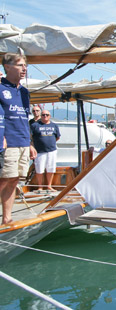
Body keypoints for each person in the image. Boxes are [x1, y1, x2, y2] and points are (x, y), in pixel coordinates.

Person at [0, 53, 37, 225]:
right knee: (4, 178)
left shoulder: (23, 92)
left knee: (14, 179)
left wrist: (30, 143)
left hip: (22, 141)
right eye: (20, 65)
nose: (25, 69)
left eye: (25, 66)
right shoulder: (1, 88)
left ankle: (7, 218)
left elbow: (24, 118)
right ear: (7, 67)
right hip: (9, 141)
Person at [30, 110, 61, 191]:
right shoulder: (35, 125)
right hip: (39, 151)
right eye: (43, 115)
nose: (45, 116)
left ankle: (49, 186)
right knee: (39, 169)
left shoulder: (54, 125)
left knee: (51, 168)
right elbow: (30, 137)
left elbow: (57, 137)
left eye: (47, 115)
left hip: (52, 150)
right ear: (41, 116)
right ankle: (40, 187)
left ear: (50, 116)